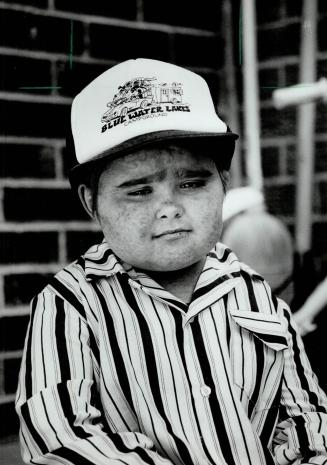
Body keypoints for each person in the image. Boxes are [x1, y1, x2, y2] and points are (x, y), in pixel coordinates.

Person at [16, 58, 327, 465]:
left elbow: (308, 419)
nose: (169, 208)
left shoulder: (255, 294)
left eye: (192, 183)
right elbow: (61, 440)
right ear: (92, 204)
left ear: (223, 185)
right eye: (139, 191)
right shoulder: (69, 305)